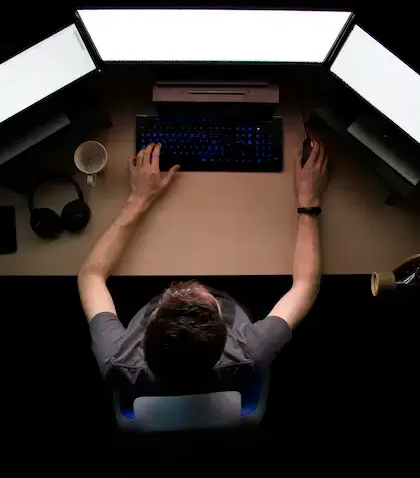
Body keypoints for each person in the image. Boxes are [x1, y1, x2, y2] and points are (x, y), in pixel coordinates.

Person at [78, 140, 328, 397]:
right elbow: (306, 286)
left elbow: (90, 275)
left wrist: (138, 198)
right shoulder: (249, 353)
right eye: (210, 305)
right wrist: (310, 200)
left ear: (147, 329)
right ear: (224, 335)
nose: (197, 286)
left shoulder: (117, 361)